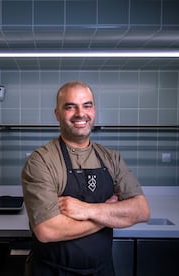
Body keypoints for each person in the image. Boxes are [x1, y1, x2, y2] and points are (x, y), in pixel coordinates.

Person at [21, 81, 151, 276]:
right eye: (70, 106)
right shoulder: (41, 161)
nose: (80, 114)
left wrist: (86, 209)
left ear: (94, 111)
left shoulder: (111, 158)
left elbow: (141, 211)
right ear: (57, 114)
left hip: (102, 270)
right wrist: (109, 216)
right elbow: (47, 230)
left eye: (87, 105)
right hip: (53, 271)